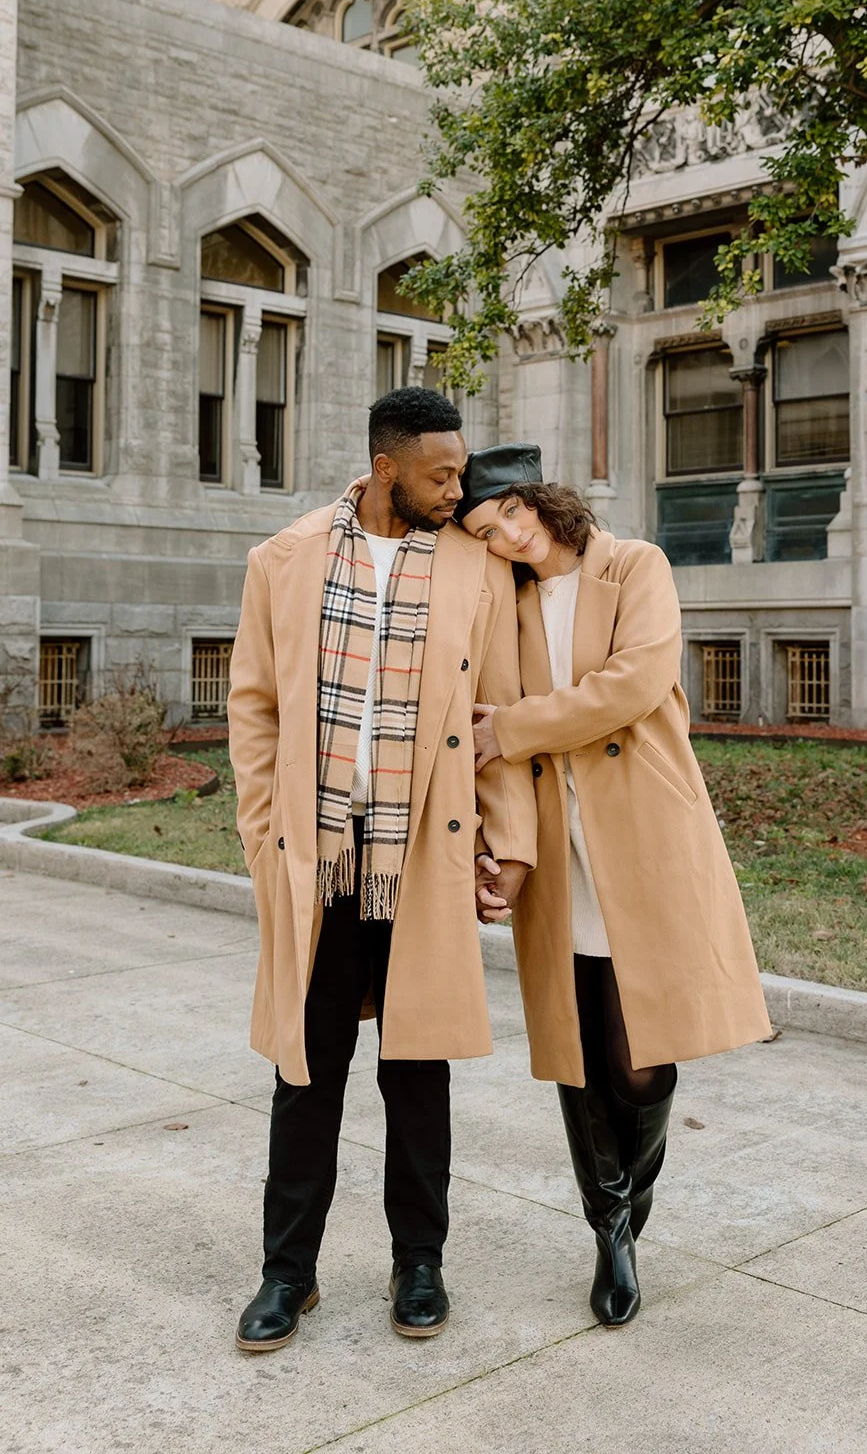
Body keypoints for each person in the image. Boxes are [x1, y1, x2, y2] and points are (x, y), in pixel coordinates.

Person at [227, 392, 536, 1353]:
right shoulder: (284, 558)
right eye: (441, 474)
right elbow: (253, 709)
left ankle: (420, 1263)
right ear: (387, 465)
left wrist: (510, 844)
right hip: (318, 856)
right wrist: (262, 833)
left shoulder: (476, 566)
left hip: (425, 850)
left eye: (462, 471)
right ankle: (288, 1275)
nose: (459, 489)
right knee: (306, 1072)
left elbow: (500, 713)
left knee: (418, 1067)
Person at [456, 444, 771, 1327]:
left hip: (640, 834)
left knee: (637, 1065)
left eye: (509, 516)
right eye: (485, 533)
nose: (507, 540)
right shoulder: (504, 607)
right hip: (560, 851)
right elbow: (486, 735)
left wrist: (513, 727)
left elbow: (631, 685)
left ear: (538, 500)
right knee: (578, 1054)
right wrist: (508, 842)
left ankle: (629, 1196)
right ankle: (611, 1233)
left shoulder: (635, 566)